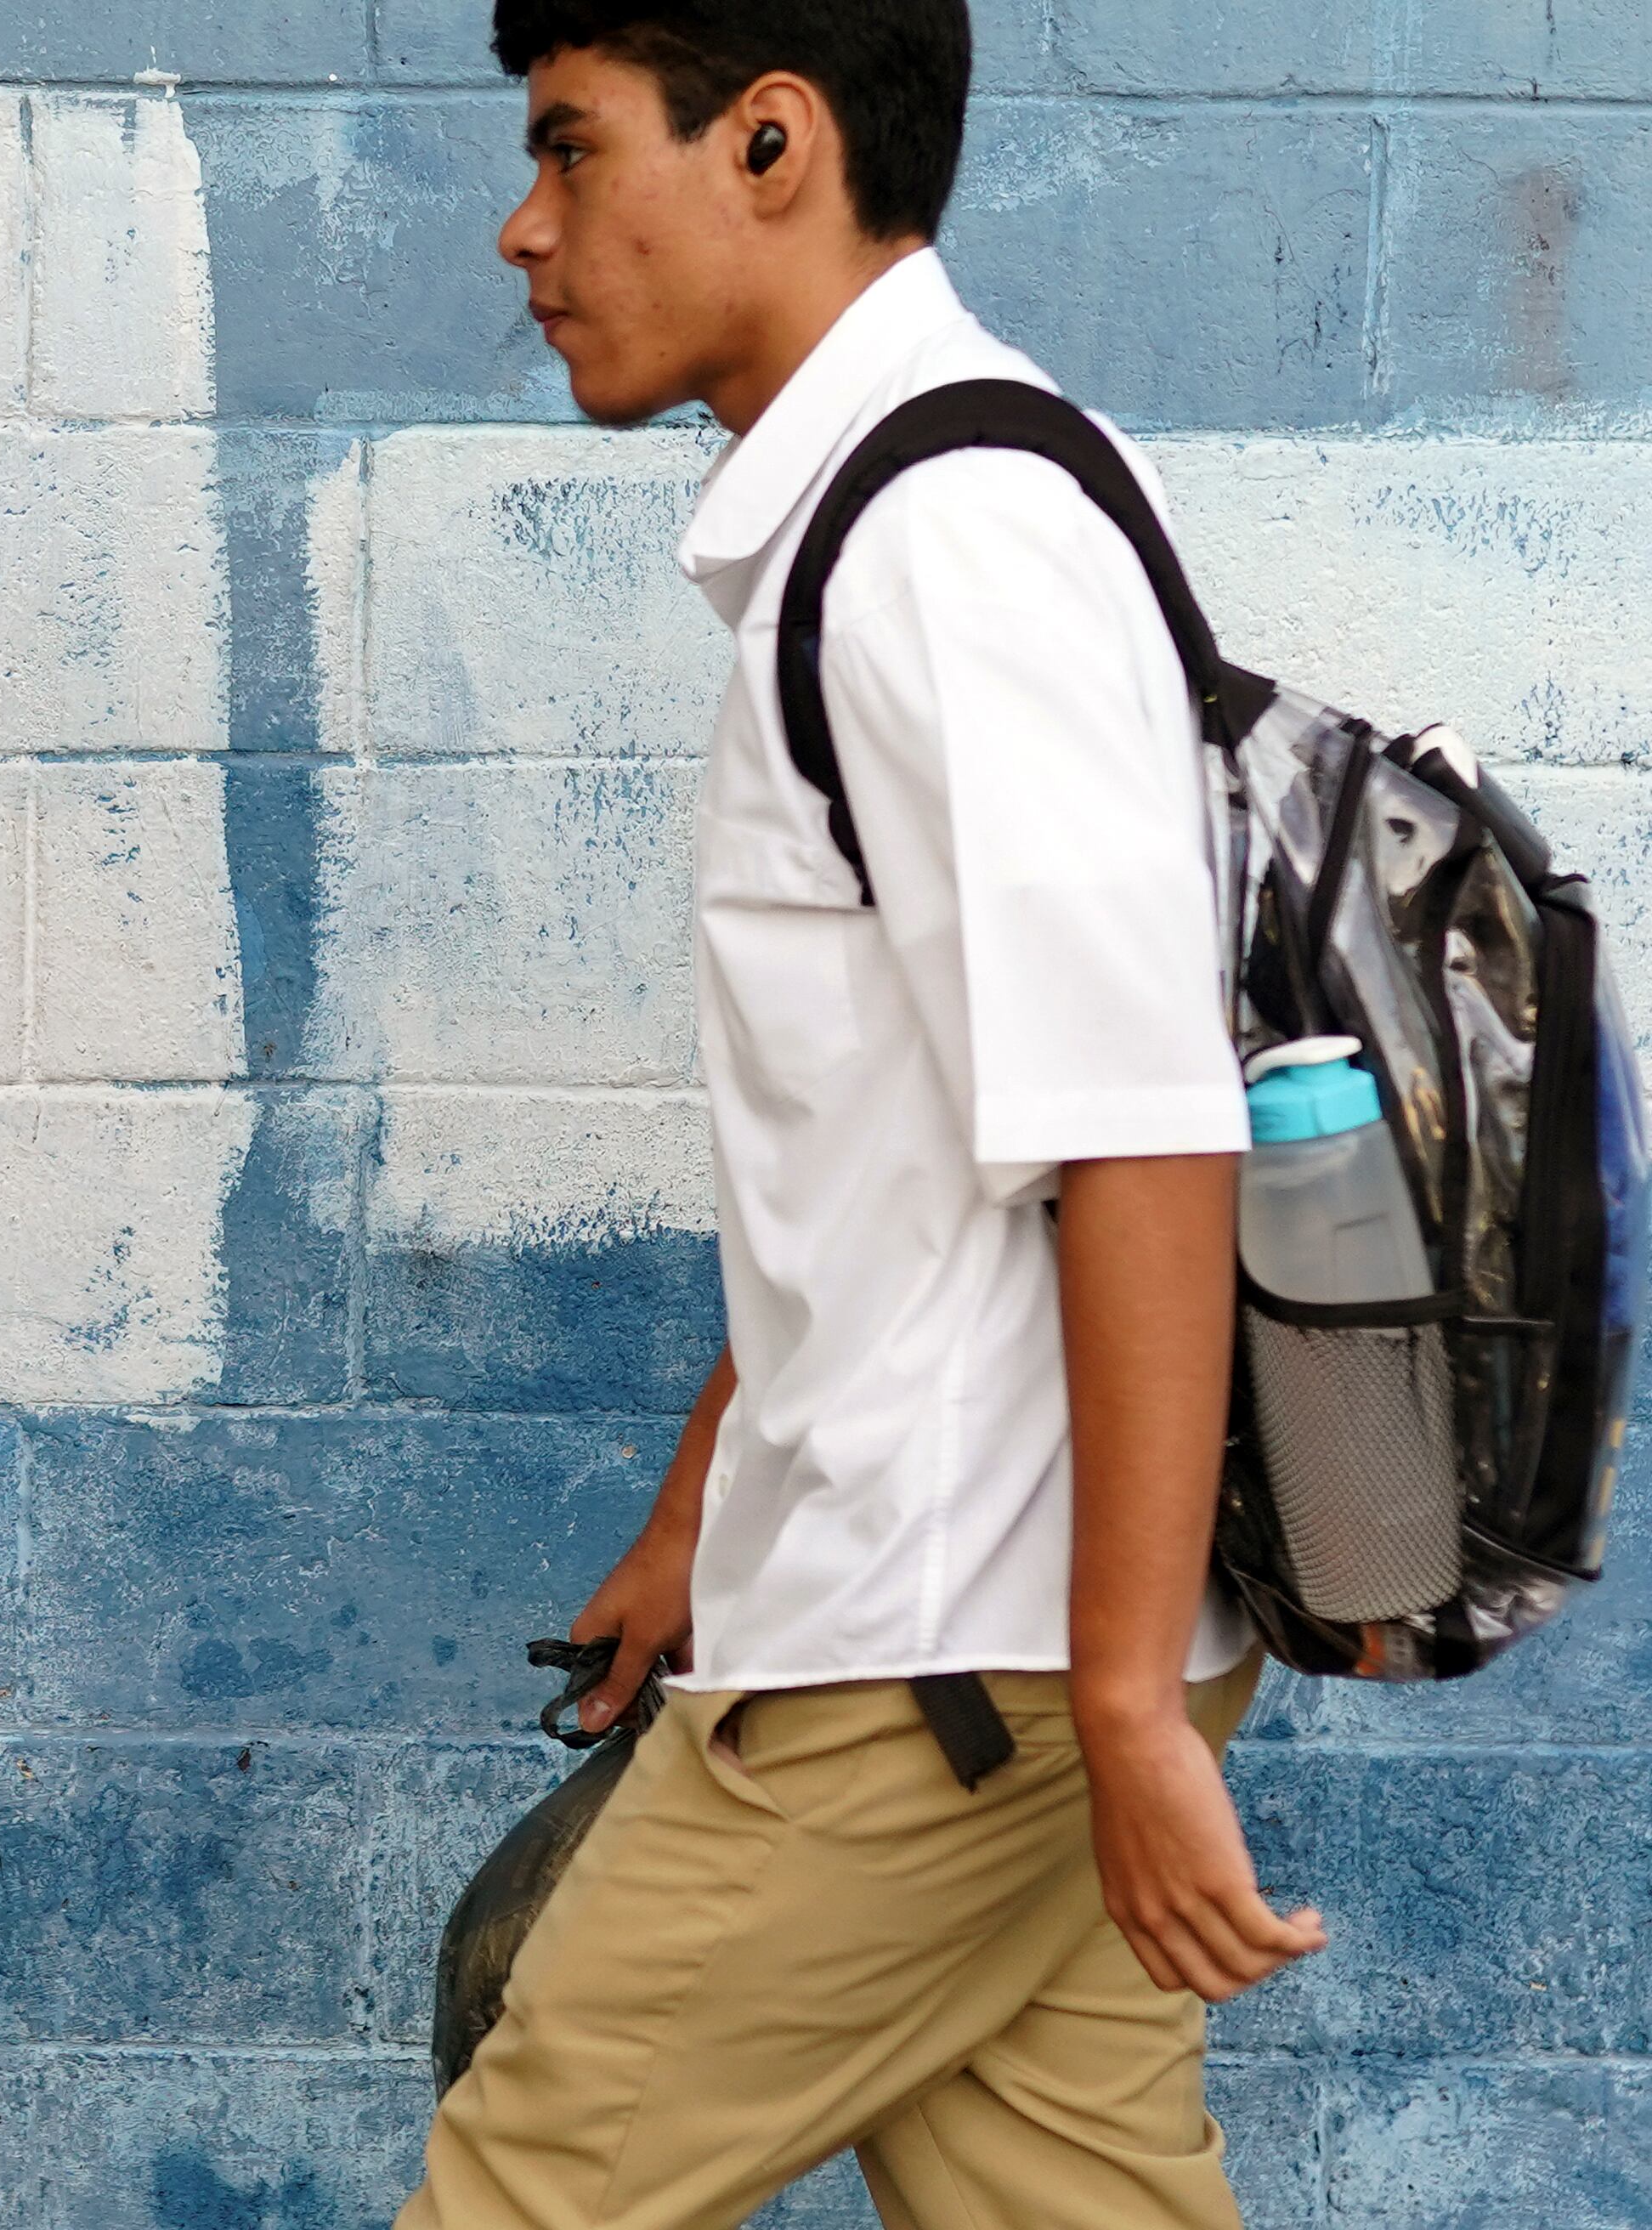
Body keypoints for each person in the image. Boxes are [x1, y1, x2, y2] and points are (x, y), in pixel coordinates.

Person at [399, 4, 1332, 2226]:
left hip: (942, 1681)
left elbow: (1140, 1131)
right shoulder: (971, 498)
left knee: (523, 2192)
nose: (524, 230)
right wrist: (704, 1508)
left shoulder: (947, 549)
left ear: (773, 144)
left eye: (571, 149)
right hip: (999, 1661)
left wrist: (1114, 1702)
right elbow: (921, 1125)